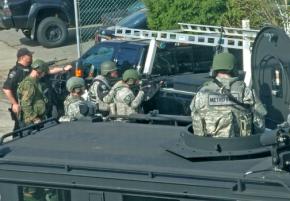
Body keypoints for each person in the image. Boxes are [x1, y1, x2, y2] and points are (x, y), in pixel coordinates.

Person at [190, 52, 267, 138]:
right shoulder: (245, 91)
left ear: (214, 69)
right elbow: (259, 121)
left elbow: (197, 122)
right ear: (233, 68)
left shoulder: (202, 93)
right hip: (241, 145)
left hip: (212, 146)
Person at [2, 47, 73, 130]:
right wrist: (14, 103)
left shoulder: (32, 68)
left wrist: (63, 69)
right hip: (25, 109)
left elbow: (49, 71)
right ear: (21, 58)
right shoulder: (16, 72)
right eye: (29, 55)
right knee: (21, 129)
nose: (31, 57)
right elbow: (6, 89)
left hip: (35, 106)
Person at [17, 59, 49, 126]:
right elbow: (25, 103)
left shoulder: (35, 81)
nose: (44, 75)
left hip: (38, 118)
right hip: (31, 122)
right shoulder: (29, 84)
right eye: (44, 72)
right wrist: (34, 118)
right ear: (40, 71)